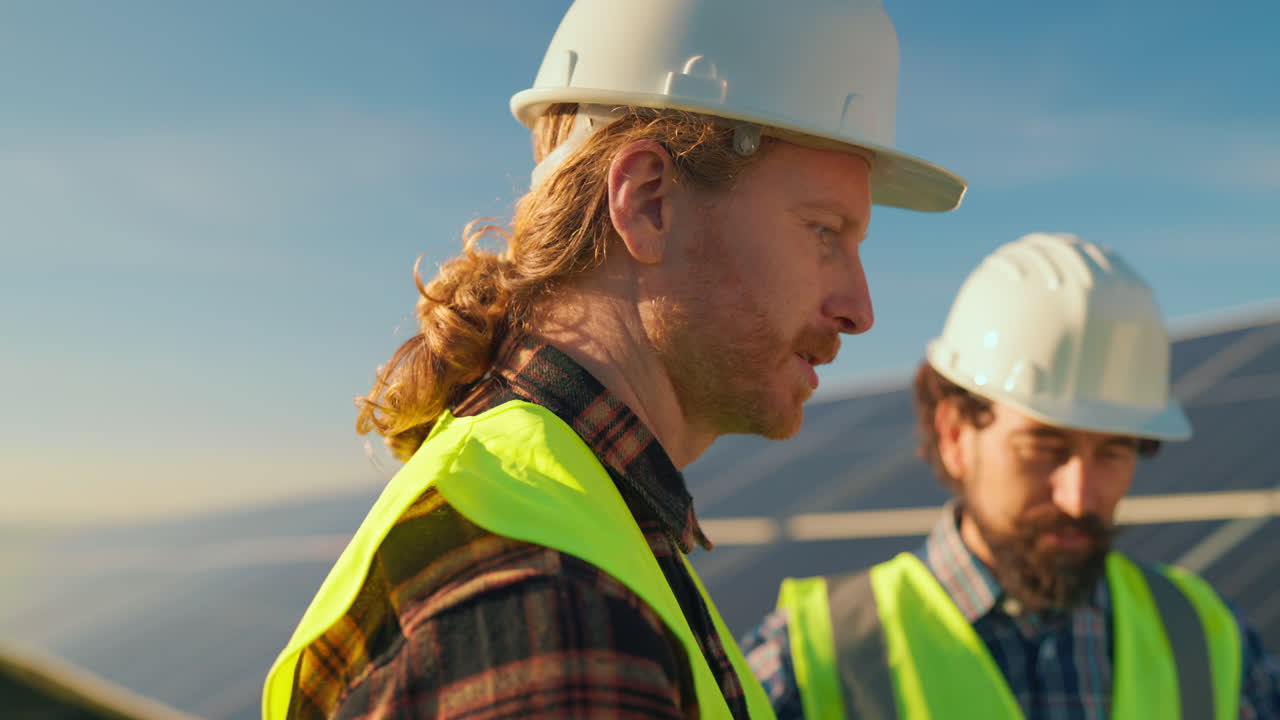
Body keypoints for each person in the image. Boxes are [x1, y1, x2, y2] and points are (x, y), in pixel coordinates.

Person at [261, 1, 966, 718]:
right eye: (824, 232)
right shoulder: (552, 612)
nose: (860, 308)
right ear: (648, 202)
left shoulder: (568, 524)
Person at [741, 232, 1280, 719]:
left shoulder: (1209, 638)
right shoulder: (812, 657)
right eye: (1043, 448)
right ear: (954, 434)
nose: (1080, 495)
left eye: (1114, 452)